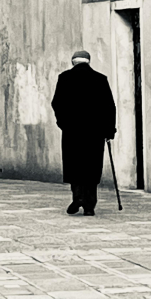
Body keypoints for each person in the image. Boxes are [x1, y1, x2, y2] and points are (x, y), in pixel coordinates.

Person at [51, 50, 116, 216]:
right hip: (95, 133)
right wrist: (109, 130)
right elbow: (109, 107)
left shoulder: (64, 78)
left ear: (73, 62)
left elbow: (57, 103)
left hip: (72, 131)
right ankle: (89, 205)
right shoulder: (100, 79)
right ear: (88, 62)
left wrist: (63, 124)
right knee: (91, 167)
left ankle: (77, 197)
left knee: (75, 166)